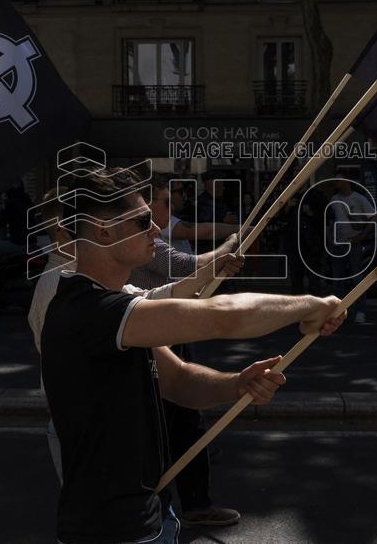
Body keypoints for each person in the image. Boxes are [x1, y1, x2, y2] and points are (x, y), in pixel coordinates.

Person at [41, 167, 346, 543]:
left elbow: (180, 380)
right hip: (111, 529)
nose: (156, 229)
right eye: (143, 221)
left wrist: (236, 384)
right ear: (104, 230)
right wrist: (312, 305)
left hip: (148, 510)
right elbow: (224, 316)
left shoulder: (118, 304)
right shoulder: (88, 310)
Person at [27, 186, 244, 486]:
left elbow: (156, 296)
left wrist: (214, 267)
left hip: (115, 422)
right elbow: (170, 314)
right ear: (73, 233)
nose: (154, 229)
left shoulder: (86, 281)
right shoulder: (65, 289)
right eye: (140, 222)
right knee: (112, 522)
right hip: (93, 428)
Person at [129, 175, 241, 529]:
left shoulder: (156, 232)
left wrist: (221, 258)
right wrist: (230, 246)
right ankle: (157, 509)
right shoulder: (143, 240)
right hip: (153, 340)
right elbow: (183, 266)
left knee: (184, 422)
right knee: (165, 424)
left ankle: (192, 503)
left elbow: (191, 254)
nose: (171, 205)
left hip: (169, 331)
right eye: (165, 199)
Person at [327, 173, 373, 325]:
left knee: (356, 278)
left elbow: (373, 218)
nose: (334, 181)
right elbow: (331, 220)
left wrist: (361, 236)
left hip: (354, 244)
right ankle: (338, 312)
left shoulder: (359, 198)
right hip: (337, 243)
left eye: (338, 179)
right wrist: (329, 238)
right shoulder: (334, 200)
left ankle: (361, 311)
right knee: (337, 279)